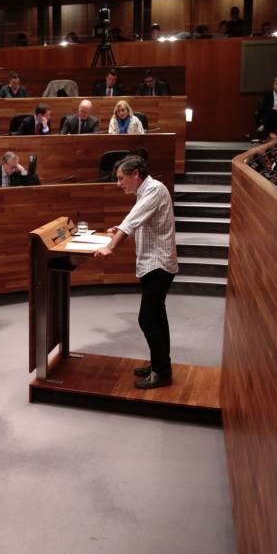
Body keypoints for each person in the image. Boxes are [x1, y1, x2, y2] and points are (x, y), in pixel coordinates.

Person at [93, 156, 178, 389]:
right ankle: (159, 365)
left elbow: (131, 221)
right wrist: (117, 230)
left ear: (136, 174)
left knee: (148, 319)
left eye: (121, 178)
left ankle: (162, 373)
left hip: (158, 264)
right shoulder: (146, 191)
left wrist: (111, 246)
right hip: (154, 264)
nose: (118, 183)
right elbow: (137, 222)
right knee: (157, 317)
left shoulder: (154, 190)